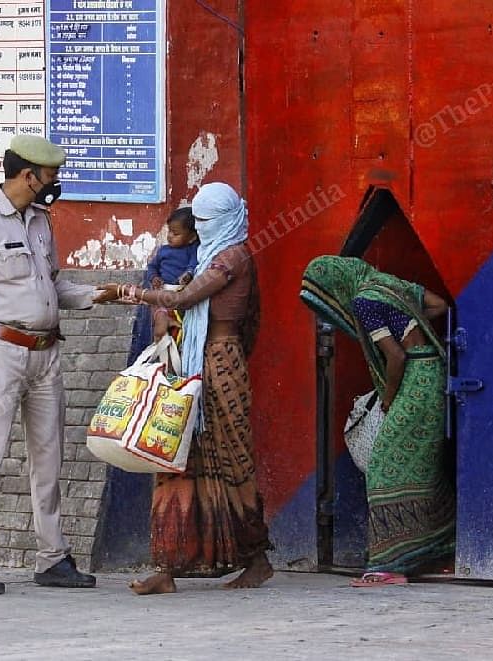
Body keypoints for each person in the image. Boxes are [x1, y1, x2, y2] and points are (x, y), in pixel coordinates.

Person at [96, 182, 273, 595]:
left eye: (207, 222)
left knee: (231, 461)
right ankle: (169, 566)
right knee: (174, 455)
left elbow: (185, 299)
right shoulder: (214, 254)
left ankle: (255, 558)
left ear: (224, 222)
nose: (202, 228)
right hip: (195, 358)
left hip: (219, 362)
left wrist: (126, 292)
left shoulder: (232, 258)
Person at [0, 135, 100, 594]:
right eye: (50, 174)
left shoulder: (41, 222)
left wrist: (98, 295)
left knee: (49, 459)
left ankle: (52, 557)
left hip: (46, 352)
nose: (55, 182)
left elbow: (53, 284)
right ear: (28, 175)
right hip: (1, 353)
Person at [299, 255, 455, 587]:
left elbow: (395, 355)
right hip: (432, 369)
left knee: (384, 466)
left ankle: (388, 565)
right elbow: (440, 305)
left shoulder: (364, 300)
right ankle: (435, 547)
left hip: (415, 378)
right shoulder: (390, 285)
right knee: (417, 465)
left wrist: (387, 399)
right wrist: (411, 322)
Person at [143, 207, 199, 343]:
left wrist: (188, 274)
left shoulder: (193, 249)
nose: (170, 236)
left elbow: (193, 264)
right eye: (169, 231)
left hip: (180, 295)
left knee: (178, 332)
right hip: (162, 292)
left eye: (175, 233)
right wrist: (154, 277)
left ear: (191, 237)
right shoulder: (163, 250)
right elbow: (152, 266)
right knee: (158, 327)